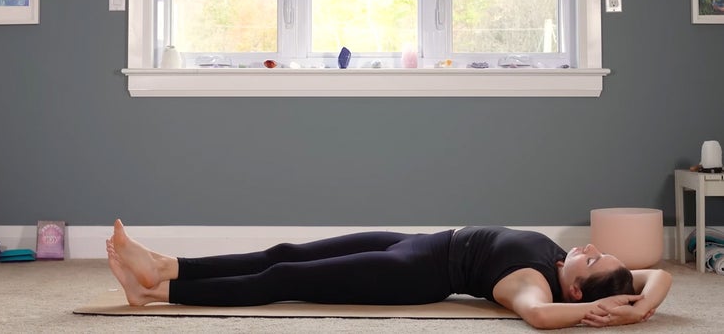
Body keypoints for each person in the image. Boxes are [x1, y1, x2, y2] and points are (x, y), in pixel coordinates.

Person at [106, 219, 671, 329]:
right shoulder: (562, 265)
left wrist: (595, 316)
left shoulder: (536, 284)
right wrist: (640, 307)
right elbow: (658, 279)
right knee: (286, 249)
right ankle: (162, 265)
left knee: (283, 278)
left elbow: (542, 316)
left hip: (409, 273)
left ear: (577, 287)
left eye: (593, 260)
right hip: (420, 242)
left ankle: (159, 292)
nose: (591, 247)